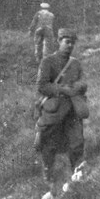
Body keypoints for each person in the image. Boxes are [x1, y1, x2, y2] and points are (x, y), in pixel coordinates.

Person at [34, 28, 87, 189]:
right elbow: (42, 86)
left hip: (72, 110)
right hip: (54, 110)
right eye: (67, 42)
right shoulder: (48, 62)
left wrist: (77, 86)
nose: (70, 45)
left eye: (72, 43)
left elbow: (83, 82)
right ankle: (48, 174)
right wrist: (62, 89)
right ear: (59, 41)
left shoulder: (76, 63)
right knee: (49, 144)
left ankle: (77, 173)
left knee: (77, 142)